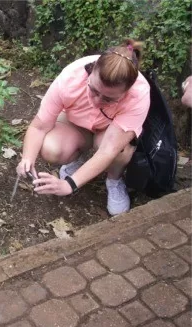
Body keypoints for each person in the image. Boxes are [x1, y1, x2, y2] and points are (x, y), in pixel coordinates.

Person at [16, 39, 150, 216]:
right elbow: (39, 126)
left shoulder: (139, 95)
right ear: (91, 71)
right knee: (52, 148)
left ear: (127, 92)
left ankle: (114, 179)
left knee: (120, 151)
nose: (96, 102)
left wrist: (69, 184)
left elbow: (108, 150)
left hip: (109, 133)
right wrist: (27, 158)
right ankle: (78, 160)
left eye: (108, 99)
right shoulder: (70, 77)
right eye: (93, 90)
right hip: (76, 122)